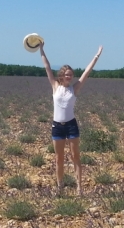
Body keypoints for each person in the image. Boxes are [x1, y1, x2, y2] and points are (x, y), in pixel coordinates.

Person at [39, 43, 103, 195]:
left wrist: (97, 55)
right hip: (57, 126)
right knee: (58, 158)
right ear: (61, 75)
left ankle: (79, 188)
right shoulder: (55, 85)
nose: (69, 76)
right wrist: (41, 49)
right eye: (66, 74)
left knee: (75, 157)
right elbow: (47, 67)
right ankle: (60, 187)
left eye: (71, 74)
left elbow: (87, 72)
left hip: (71, 126)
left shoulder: (74, 88)